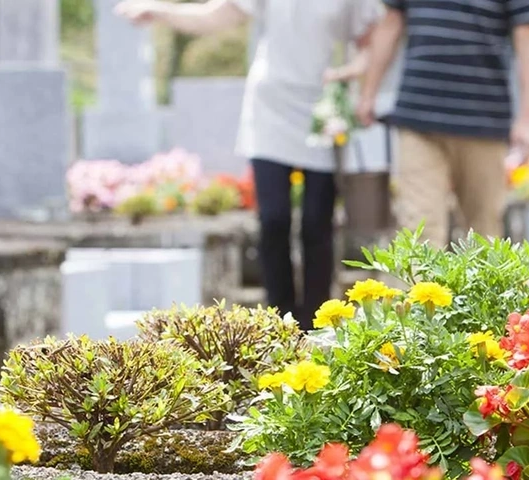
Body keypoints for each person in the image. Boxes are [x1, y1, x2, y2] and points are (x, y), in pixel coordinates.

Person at [116, 0, 381, 330]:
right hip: (270, 109)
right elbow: (217, 16)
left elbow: (371, 43)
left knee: (317, 222)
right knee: (273, 219)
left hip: (321, 108)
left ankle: (318, 324)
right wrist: (160, 11)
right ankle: (281, 324)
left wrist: (354, 77)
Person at [358, 0, 529, 245]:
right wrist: (367, 93)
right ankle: (422, 286)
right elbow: (390, 24)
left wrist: (527, 120)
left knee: (484, 236)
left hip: (483, 123)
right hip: (419, 118)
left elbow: (528, 36)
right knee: (419, 233)